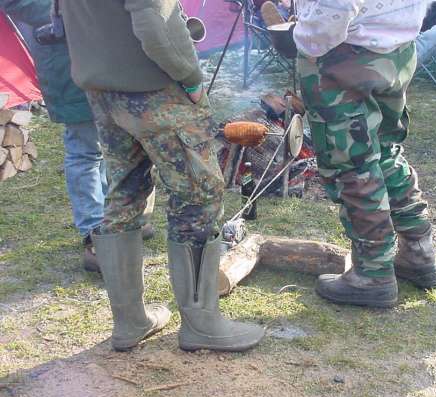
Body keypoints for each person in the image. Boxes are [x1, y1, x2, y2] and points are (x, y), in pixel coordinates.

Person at [59, 0, 264, 352]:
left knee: (124, 191)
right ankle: (202, 323)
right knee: (199, 195)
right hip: (154, 89)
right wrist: (191, 78)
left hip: (101, 89)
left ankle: (129, 321)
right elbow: (155, 23)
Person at [294, 0, 436, 308]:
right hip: (397, 47)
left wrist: (307, 42)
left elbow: (336, 5)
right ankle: (418, 251)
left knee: (351, 164)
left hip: (346, 56)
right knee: (384, 151)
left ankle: (372, 274)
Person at [0, 0, 155, 273]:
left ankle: (120, 219)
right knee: (86, 150)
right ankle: (95, 233)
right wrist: (74, 12)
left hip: (108, 54)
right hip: (65, 58)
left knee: (119, 143)